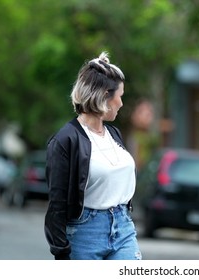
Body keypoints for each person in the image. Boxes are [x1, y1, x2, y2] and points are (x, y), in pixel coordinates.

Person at [44, 52, 142, 260]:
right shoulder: (65, 140)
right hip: (84, 233)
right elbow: (57, 203)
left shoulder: (113, 134)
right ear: (105, 95)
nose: (121, 104)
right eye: (120, 96)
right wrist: (60, 251)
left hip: (123, 228)